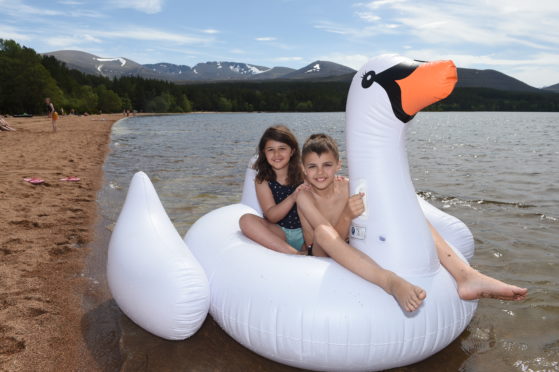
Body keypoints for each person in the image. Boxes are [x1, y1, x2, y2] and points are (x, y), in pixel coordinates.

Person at [295, 134, 527, 312]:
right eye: (312, 166)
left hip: (351, 242)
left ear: (338, 165)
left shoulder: (348, 185)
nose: (320, 172)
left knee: (404, 210)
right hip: (320, 252)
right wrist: (346, 215)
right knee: (324, 232)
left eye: (326, 164)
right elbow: (326, 238)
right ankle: (390, 282)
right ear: (304, 170)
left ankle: (465, 274)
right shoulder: (304, 196)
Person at [239, 125, 308, 254]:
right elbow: (271, 216)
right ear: (264, 153)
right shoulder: (263, 180)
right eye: (271, 149)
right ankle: (294, 254)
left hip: (306, 231)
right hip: (279, 232)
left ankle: (308, 249)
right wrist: (293, 197)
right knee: (246, 220)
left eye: (282, 148)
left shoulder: (303, 172)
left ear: (292, 151)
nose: (276, 154)